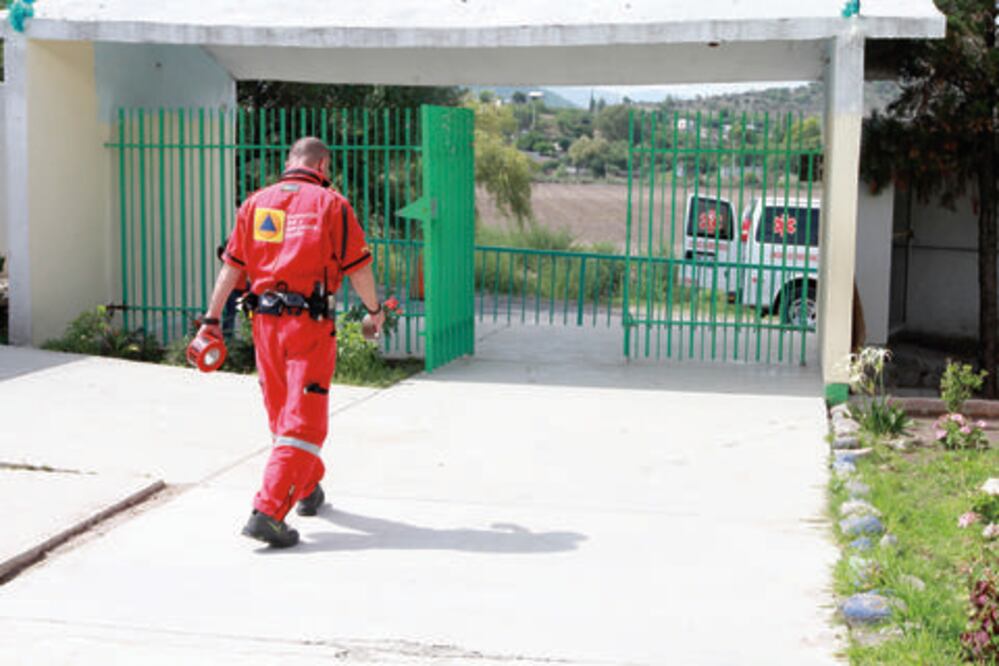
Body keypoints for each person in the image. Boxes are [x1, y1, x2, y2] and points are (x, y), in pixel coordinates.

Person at [197, 137, 385, 548]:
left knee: (283, 413)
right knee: (305, 423)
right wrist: (375, 311)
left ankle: (306, 487)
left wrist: (210, 321)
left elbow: (231, 270)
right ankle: (267, 511)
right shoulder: (332, 204)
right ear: (322, 164)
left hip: (263, 325)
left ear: (289, 162)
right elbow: (360, 270)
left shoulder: (254, 204)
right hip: (308, 326)